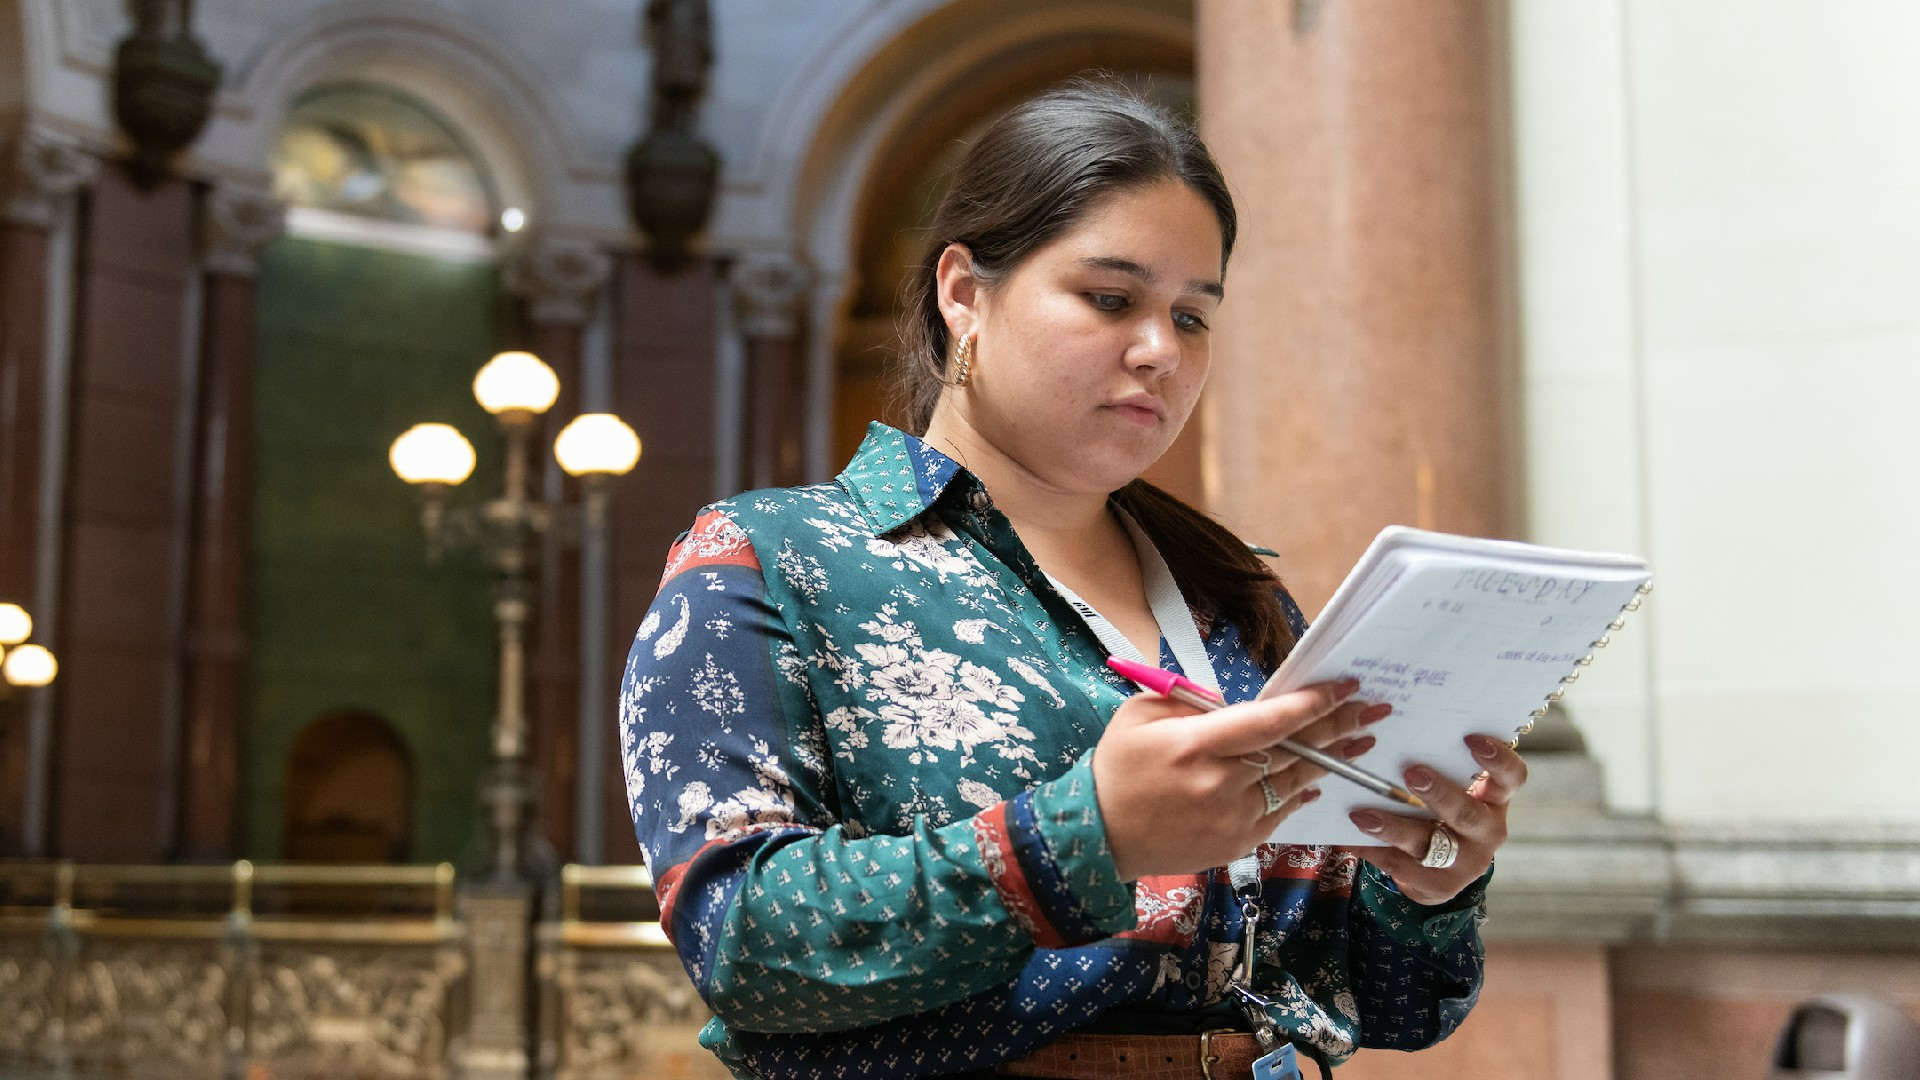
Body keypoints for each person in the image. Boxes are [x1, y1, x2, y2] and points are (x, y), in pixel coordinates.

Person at [619, 82, 1526, 1080]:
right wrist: (1085, 836)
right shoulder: (774, 559)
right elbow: (741, 940)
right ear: (963, 291)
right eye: (1110, 299)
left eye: (1192, 316)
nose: (1159, 351)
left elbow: (1381, 1004)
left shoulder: (1238, 606)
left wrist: (1426, 883)